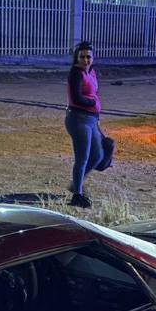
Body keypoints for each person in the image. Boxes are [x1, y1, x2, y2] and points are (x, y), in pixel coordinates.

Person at [64, 41, 114, 210]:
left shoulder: (91, 72)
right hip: (78, 119)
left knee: (98, 155)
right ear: (77, 58)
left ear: (93, 57)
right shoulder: (76, 73)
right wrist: (92, 102)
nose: (86, 60)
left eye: (89, 57)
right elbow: (77, 98)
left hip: (91, 119)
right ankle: (77, 195)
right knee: (82, 158)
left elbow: (93, 93)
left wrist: (97, 116)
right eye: (82, 57)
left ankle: (76, 184)